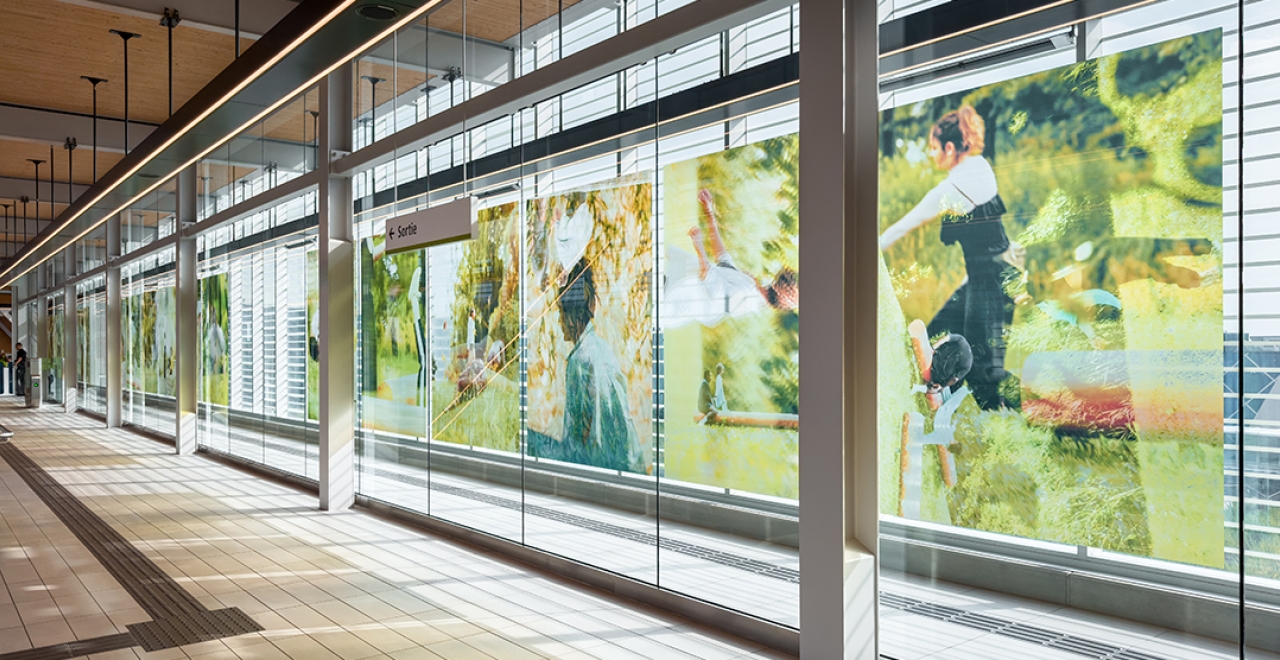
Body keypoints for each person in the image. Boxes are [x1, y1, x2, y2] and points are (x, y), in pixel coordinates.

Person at [880, 106, 1020, 410]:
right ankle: (930, 398)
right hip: (991, 276)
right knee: (937, 331)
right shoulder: (980, 166)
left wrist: (872, 247)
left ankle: (1007, 420)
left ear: (950, 147)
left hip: (991, 282)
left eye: (934, 148)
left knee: (983, 368)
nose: (932, 155)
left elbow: (906, 224)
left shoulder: (951, 190)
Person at [531, 258, 644, 473]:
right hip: (627, 468)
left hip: (602, 472)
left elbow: (575, 447)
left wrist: (533, 439)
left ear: (570, 315)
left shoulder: (580, 361)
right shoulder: (602, 349)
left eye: (560, 314)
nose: (559, 322)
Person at [664, 189, 798, 328]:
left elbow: (709, 279)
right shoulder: (752, 289)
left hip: (670, 300)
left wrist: (699, 246)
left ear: (782, 292)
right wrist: (709, 213)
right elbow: (723, 259)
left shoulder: (746, 299)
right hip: (673, 287)